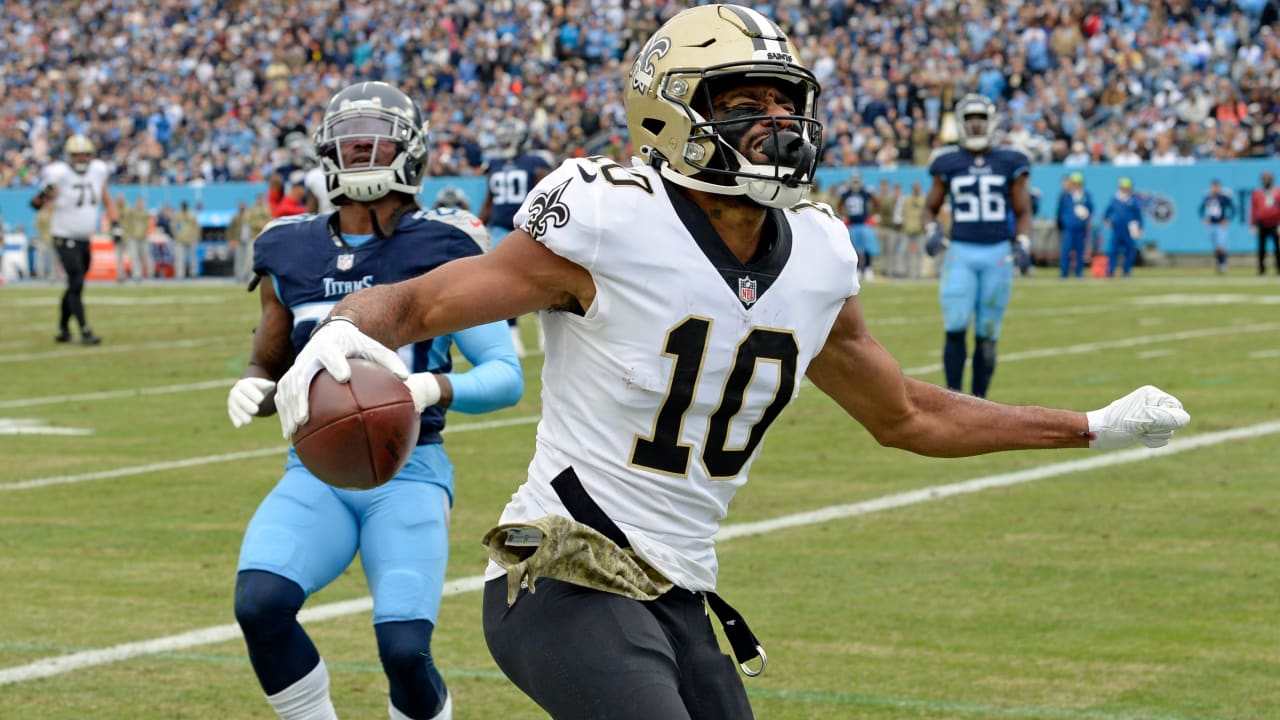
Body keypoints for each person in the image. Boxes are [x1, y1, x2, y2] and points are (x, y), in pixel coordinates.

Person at [271, 9, 1190, 719]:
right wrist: (344, 332)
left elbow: (907, 415)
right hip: (559, 574)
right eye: (743, 106)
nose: (774, 126)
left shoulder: (822, 252)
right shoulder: (607, 218)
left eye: (785, 104)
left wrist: (1089, 427)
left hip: (679, 590)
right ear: (669, 114)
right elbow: (423, 300)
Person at [227, 81, 522, 720]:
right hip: (315, 471)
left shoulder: (446, 242)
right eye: (349, 144)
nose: (361, 156)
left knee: (404, 650)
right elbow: (272, 359)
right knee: (259, 604)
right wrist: (255, 386)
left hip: (409, 470)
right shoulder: (289, 246)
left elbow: (506, 375)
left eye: (375, 143)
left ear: (410, 151)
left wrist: (431, 387)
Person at [922, 93, 1033, 399]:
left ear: (991, 122)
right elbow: (930, 207)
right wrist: (932, 229)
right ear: (959, 123)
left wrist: (1023, 241)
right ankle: (954, 397)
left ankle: (980, 401)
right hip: (961, 252)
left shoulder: (1011, 160)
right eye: (969, 121)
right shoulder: (947, 161)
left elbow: (1023, 211)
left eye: (979, 121)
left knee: (987, 331)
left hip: (998, 253)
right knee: (955, 324)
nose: (974, 127)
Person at [31, 134, 116, 344]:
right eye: (76, 155)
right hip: (63, 236)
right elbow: (35, 204)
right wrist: (44, 195)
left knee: (74, 285)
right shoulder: (58, 174)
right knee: (76, 280)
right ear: (69, 156)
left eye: (84, 155)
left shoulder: (98, 170)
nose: (80, 159)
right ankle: (85, 330)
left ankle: (62, 329)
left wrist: (115, 222)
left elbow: (106, 198)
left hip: (85, 238)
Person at [479, 118, 554, 356]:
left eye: (508, 137)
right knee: (504, 284)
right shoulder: (494, 163)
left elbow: (549, 193)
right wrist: (480, 224)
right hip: (500, 229)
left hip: (529, 228)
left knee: (540, 279)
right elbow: (490, 199)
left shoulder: (535, 162)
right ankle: (512, 336)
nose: (504, 142)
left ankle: (545, 331)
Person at [1102, 177, 1144, 278]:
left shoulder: (1133, 200)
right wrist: (1106, 220)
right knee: (1113, 251)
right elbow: (1107, 212)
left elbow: (1138, 215)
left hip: (1129, 230)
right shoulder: (1115, 199)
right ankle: (1111, 271)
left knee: (1129, 251)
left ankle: (1126, 271)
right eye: (1123, 187)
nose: (1125, 189)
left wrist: (1140, 228)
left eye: (1127, 187)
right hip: (1117, 229)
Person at [839, 172, 879, 280]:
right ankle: (856, 269)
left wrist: (875, 215)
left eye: (857, 181)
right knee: (853, 249)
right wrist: (842, 215)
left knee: (867, 248)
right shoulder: (846, 194)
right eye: (854, 181)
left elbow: (877, 203)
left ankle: (868, 268)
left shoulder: (866, 193)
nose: (856, 183)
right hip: (852, 225)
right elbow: (839, 205)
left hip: (864, 224)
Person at [1055, 172, 1093, 278]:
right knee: (1066, 250)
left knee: (1080, 250)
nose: (1076, 185)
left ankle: (1079, 272)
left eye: (1078, 183)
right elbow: (1061, 211)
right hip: (1069, 228)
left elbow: (1090, 209)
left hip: (1080, 227)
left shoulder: (1086, 196)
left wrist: (1085, 214)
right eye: (1074, 183)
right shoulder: (1066, 195)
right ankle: (1064, 272)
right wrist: (1063, 222)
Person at [1199, 178, 1235, 274]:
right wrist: (1204, 219)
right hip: (1212, 224)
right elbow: (1201, 209)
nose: (1214, 188)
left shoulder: (1223, 197)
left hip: (1220, 224)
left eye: (1216, 187)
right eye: (1213, 187)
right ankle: (1220, 264)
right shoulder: (1208, 197)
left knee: (1221, 246)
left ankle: (1223, 264)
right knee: (1216, 247)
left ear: (1219, 187)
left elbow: (1233, 209)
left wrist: (1228, 219)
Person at [1248, 170, 1280, 275]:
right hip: (1262, 223)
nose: (1267, 181)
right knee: (1261, 248)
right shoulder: (1257, 193)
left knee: (1277, 248)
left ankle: (1278, 268)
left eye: (1268, 179)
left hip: (1275, 223)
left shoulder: (1277, 192)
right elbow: (1253, 209)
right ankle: (1261, 269)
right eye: (1265, 179)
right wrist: (1253, 225)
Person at [118, 196, 153, 281]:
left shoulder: (146, 213)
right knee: (135, 257)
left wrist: (146, 232)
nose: (140, 204)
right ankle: (137, 275)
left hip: (144, 237)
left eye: (141, 202)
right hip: (133, 237)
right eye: (138, 202)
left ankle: (150, 274)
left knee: (147, 256)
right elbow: (123, 215)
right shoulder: (131, 212)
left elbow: (149, 224)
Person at [172, 200, 201, 279]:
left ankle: (193, 273)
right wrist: (177, 236)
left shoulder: (192, 214)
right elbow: (174, 226)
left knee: (193, 257)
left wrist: (196, 236)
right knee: (179, 257)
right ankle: (180, 274)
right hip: (180, 239)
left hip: (191, 238)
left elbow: (197, 226)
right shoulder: (178, 215)